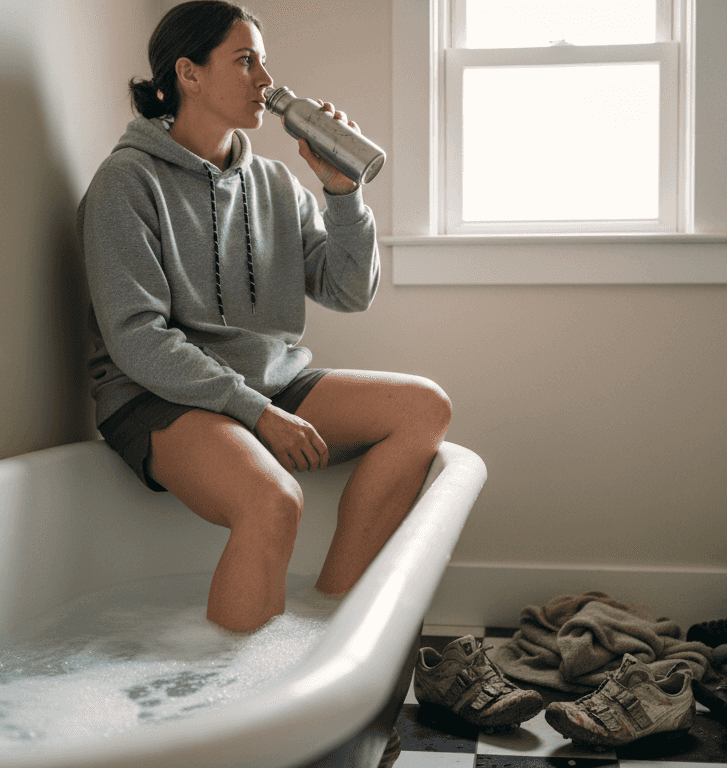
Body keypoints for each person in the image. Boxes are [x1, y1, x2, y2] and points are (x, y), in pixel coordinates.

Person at [77, 0, 452, 633]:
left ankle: (334, 621)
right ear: (188, 73)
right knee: (272, 500)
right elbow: (137, 339)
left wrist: (343, 194)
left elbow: (348, 290)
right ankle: (236, 714)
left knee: (424, 407)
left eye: (264, 62)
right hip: (157, 397)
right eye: (244, 61)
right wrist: (255, 413)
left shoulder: (274, 182)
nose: (265, 81)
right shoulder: (127, 182)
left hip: (266, 383)